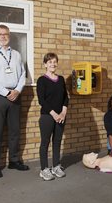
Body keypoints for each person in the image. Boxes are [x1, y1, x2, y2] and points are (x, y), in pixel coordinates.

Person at [0, 24, 29, 178]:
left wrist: (17, 90)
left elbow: (22, 74)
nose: (3, 36)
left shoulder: (16, 54)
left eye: (5, 34)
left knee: (15, 130)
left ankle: (14, 160)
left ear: (9, 35)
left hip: (15, 94)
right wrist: (6, 92)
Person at [36, 52, 69, 181]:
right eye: (50, 62)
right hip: (47, 117)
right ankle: (44, 169)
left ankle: (56, 166)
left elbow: (65, 97)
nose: (53, 64)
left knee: (57, 141)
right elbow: (42, 101)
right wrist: (55, 114)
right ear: (45, 64)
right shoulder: (42, 80)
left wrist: (63, 112)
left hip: (61, 116)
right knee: (45, 142)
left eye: (54, 62)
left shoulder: (60, 79)